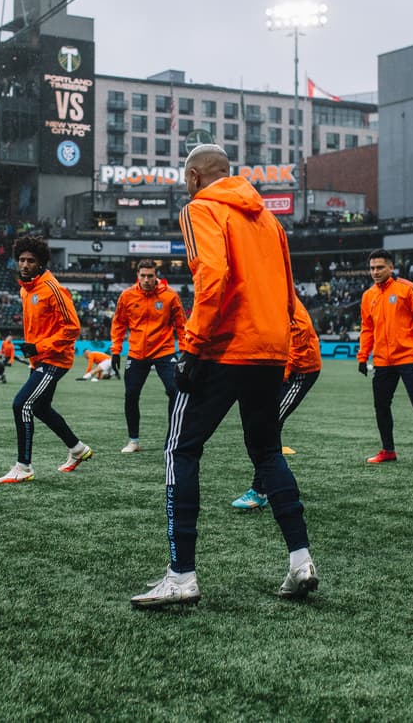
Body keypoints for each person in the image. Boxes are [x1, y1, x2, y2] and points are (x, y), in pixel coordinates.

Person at [132, 145, 316, 609]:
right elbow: (287, 290)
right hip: (270, 350)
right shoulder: (269, 220)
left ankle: (181, 575)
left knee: (180, 449)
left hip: (223, 347)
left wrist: (192, 347)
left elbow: (212, 275)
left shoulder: (199, 209)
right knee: (267, 451)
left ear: (194, 176)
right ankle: (301, 561)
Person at [0, 235, 93, 484]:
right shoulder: (25, 289)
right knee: (39, 407)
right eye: (21, 260)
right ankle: (77, 449)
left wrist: (39, 346)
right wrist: (34, 350)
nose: (25, 264)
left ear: (40, 263)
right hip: (40, 359)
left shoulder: (52, 288)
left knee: (21, 404)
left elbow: (73, 328)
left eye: (30, 260)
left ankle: (23, 467)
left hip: (55, 359)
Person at [231, 297, 321, 509]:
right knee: (265, 426)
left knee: (267, 426)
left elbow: (300, 337)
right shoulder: (267, 296)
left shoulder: (283, 300)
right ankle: (279, 484)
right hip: (279, 368)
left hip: (300, 372)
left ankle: (261, 490)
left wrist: (282, 375)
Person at [357, 249, 413, 469]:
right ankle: (388, 450)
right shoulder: (368, 296)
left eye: (380, 267)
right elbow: (367, 328)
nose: (375, 272)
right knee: (381, 406)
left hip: (409, 357)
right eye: (372, 268)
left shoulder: (408, 289)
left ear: (391, 267)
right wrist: (363, 356)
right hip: (382, 361)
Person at [110, 259, 186, 453]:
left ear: (156, 276)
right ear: (137, 276)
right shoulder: (127, 296)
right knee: (131, 395)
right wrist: (116, 350)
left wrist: (185, 351)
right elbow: (119, 323)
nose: (146, 280)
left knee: (175, 391)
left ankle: (173, 439)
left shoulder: (170, 296)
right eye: (143, 276)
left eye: (150, 276)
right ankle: (133, 441)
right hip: (137, 352)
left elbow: (181, 325)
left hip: (164, 351)